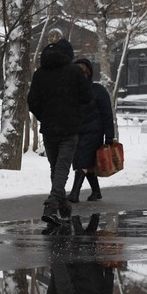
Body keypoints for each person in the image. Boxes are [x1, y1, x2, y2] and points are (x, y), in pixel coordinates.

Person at [27, 38, 92, 225]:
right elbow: (87, 97)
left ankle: (63, 205)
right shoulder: (74, 72)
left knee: (56, 168)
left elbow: (32, 102)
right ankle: (52, 204)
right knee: (61, 167)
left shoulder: (40, 74)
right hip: (70, 128)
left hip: (49, 129)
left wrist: (45, 116)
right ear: (69, 55)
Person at [67, 59, 115, 203]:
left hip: (93, 132)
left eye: (83, 72)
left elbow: (107, 113)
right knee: (86, 162)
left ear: (88, 73)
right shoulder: (71, 91)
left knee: (82, 161)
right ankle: (96, 192)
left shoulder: (98, 90)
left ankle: (74, 194)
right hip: (76, 132)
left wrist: (109, 136)